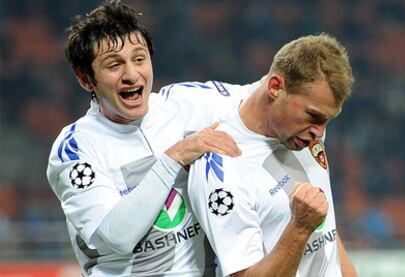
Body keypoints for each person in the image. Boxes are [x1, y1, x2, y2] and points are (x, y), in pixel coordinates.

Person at [47, 1, 257, 276]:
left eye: (139, 58)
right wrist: (175, 157)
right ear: (86, 79)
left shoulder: (186, 102)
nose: (131, 74)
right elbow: (116, 237)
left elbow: (264, 96)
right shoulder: (75, 148)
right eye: (114, 65)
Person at [188, 34, 358, 277]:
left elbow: (325, 231)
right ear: (275, 87)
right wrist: (300, 228)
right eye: (313, 116)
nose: (320, 133)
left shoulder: (300, 134)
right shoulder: (222, 166)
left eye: (327, 120)